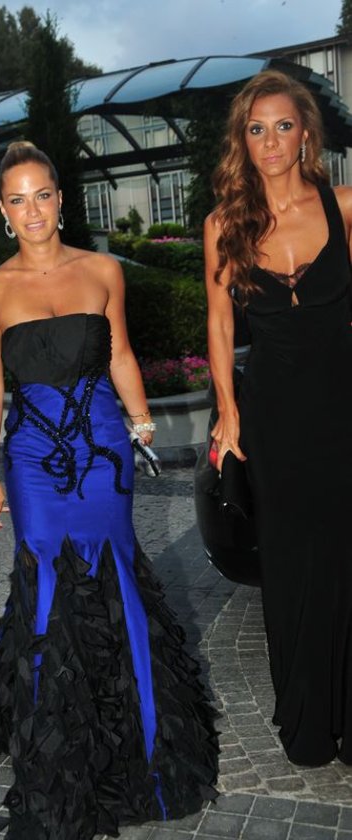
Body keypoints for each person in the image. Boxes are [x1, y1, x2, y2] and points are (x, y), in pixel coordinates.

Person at [0, 141, 218, 839]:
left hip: (104, 449)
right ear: (2, 211)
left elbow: (122, 354)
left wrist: (142, 423)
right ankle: (58, 758)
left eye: (42, 195)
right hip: (33, 456)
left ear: (60, 199)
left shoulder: (103, 270)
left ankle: (144, 743)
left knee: (115, 577)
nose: (32, 210)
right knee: (46, 577)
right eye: (17, 199)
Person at [205, 70, 352, 767]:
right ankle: (308, 721)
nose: (270, 141)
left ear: (305, 136)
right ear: (243, 139)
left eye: (283, 126)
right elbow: (217, 324)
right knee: (290, 562)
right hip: (273, 415)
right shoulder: (224, 226)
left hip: (343, 402)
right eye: (256, 128)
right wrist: (228, 412)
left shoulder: (345, 206)